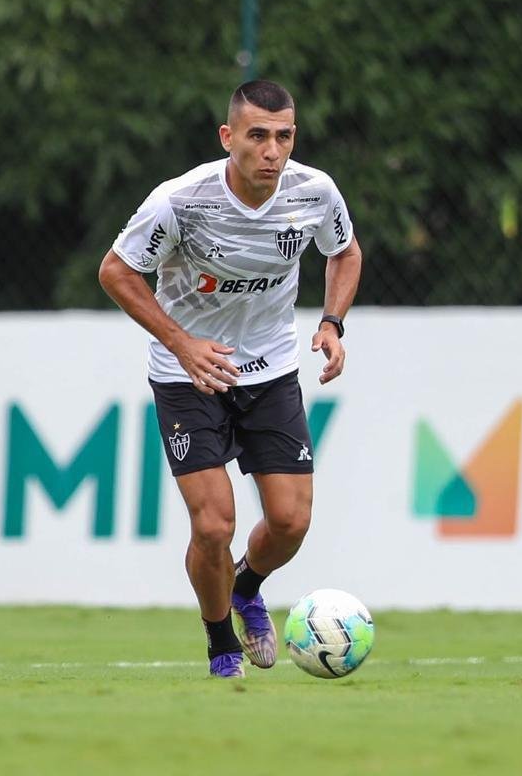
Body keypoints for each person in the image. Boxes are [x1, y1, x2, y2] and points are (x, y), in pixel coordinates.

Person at [99, 79, 362, 678]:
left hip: (270, 370)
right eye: (259, 136)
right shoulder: (181, 201)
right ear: (229, 138)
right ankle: (220, 640)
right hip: (189, 374)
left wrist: (331, 322)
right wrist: (181, 343)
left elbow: (344, 252)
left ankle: (246, 587)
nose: (273, 151)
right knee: (215, 522)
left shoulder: (314, 192)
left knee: (292, 521)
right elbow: (116, 272)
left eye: (285, 136)